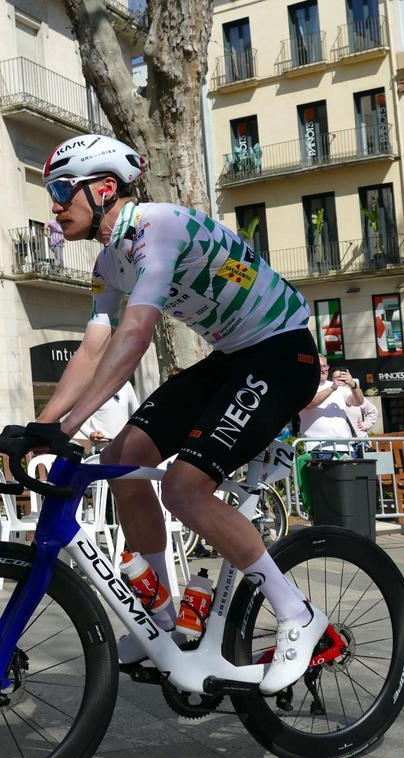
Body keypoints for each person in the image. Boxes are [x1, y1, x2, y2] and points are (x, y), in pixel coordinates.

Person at [35, 133, 325, 694]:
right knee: (121, 460)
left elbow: (136, 334)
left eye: (62, 190)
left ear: (104, 188)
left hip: (282, 353)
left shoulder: (158, 227)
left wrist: (67, 427)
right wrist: (43, 426)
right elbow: (93, 348)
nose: (54, 204)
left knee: (185, 489)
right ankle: (163, 619)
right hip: (231, 358)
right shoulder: (108, 262)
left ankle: (298, 614)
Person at [292, 361, 365, 513]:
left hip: (344, 447)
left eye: (325, 366)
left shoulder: (339, 387)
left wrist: (353, 385)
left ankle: (347, 519)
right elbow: (309, 404)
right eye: (320, 366)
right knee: (324, 491)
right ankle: (326, 520)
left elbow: (359, 401)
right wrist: (332, 388)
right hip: (318, 448)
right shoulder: (304, 385)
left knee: (347, 489)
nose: (323, 369)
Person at [76, 381, 139, 450]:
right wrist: (90, 434)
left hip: (125, 447)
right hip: (101, 449)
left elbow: (138, 413)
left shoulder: (126, 384)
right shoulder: (90, 386)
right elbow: (76, 418)